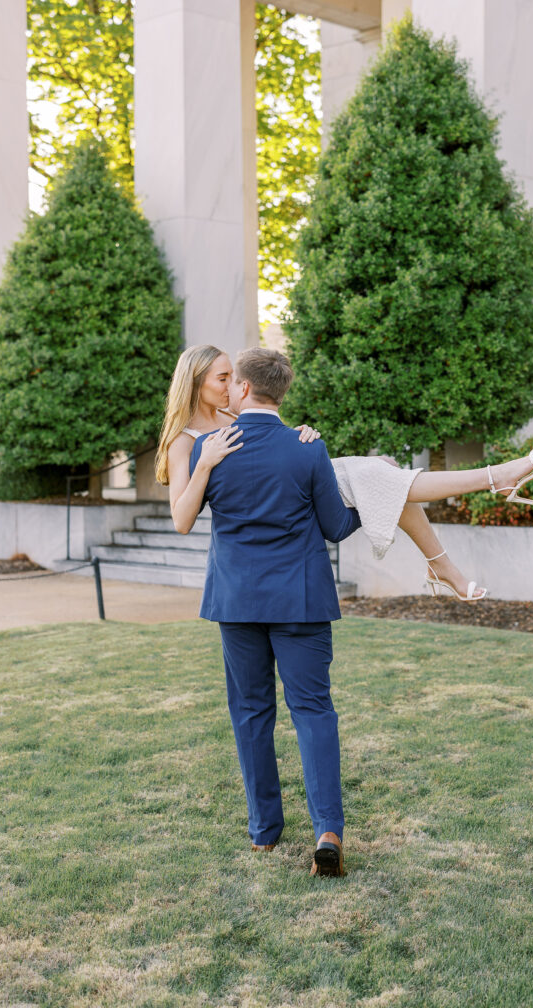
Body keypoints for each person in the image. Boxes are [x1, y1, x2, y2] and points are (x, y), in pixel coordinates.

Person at [156, 344, 533, 601]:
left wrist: (297, 434)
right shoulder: (185, 441)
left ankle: (466, 526)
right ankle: (491, 486)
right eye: (222, 379)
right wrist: (204, 463)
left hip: (306, 481)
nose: (231, 386)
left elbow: (277, 448)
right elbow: (181, 519)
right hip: (276, 519)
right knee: (388, 482)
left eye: (231, 377)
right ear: (196, 382)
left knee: (387, 479)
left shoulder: (235, 414)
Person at [189, 347, 361, 875]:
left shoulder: (210, 450)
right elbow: (336, 527)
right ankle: (327, 830)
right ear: (280, 392)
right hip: (301, 600)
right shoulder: (308, 447)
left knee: (250, 712)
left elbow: (191, 510)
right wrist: (371, 498)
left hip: (237, 600)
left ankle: (264, 831)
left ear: (242, 388)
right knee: (313, 710)